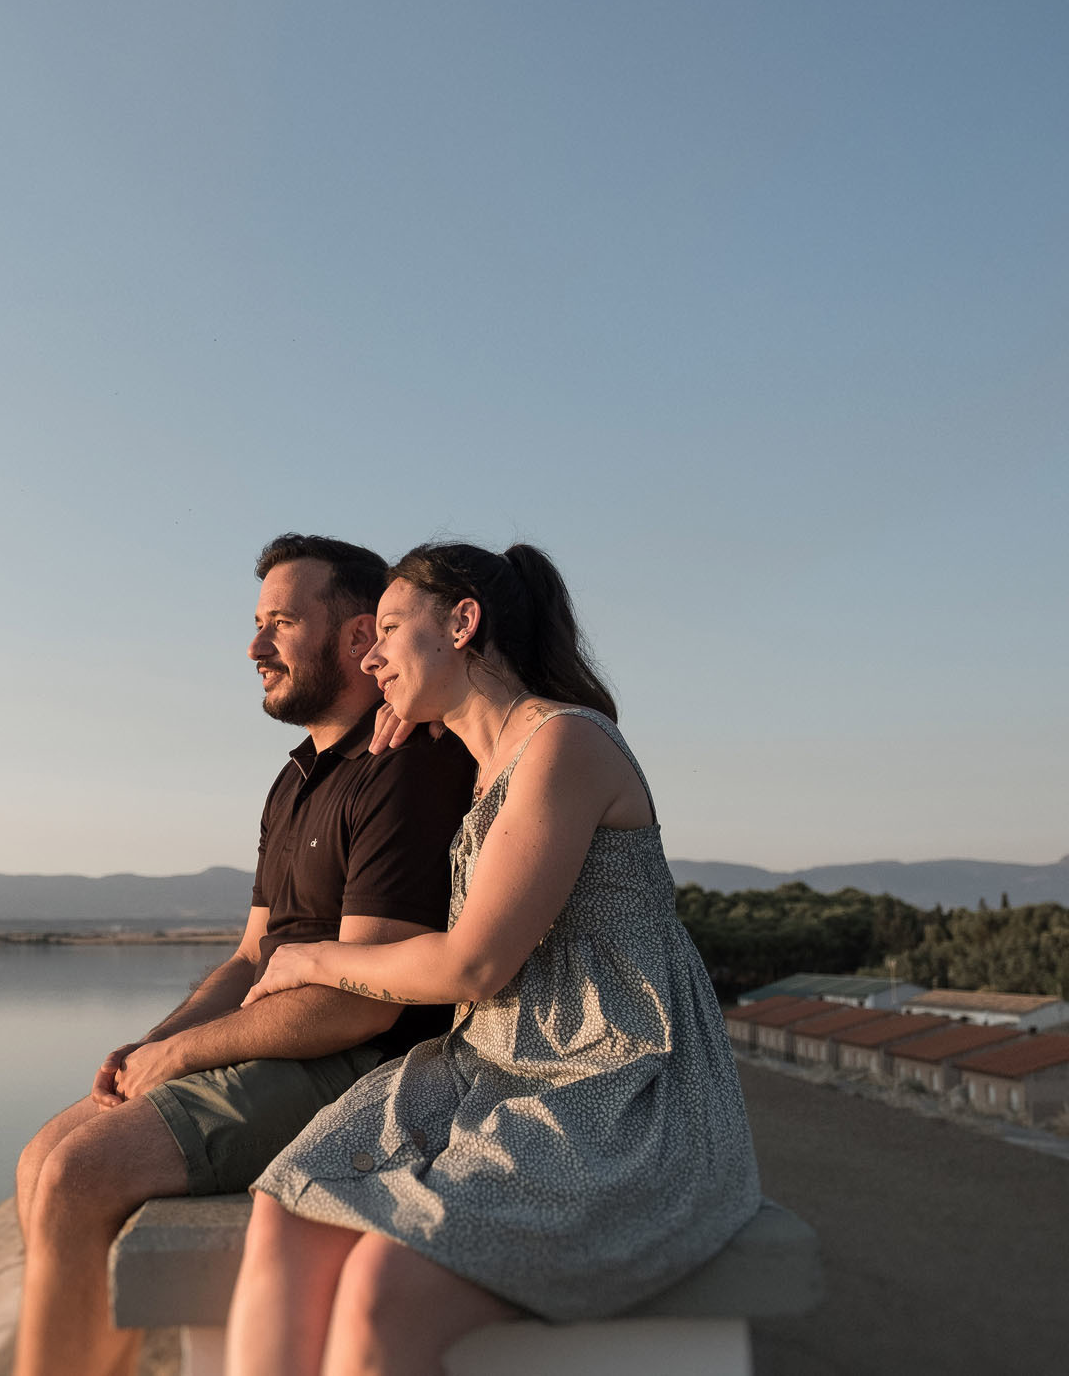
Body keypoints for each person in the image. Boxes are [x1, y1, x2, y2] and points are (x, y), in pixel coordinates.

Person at [225, 541, 761, 1376]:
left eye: (392, 628)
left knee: (381, 1287)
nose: (370, 655)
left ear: (464, 622)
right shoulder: (484, 761)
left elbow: (473, 967)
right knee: (287, 1208)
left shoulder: (566, 744)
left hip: (605, 1081)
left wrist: (315, 959)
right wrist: (416, 714)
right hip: (497, 1063)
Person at [11, 535, 477, 1376]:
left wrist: (184, 1053)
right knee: (41, 1155)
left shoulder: (403, 766)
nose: (254, 646)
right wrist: (152, 1041)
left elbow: (363, 999)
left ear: (356, 634)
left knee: (80, 1172)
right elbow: (251, 954)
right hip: (271, 1044)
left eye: (280, 623)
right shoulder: (296, 777)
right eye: (257, 623)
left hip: (355, 1064)